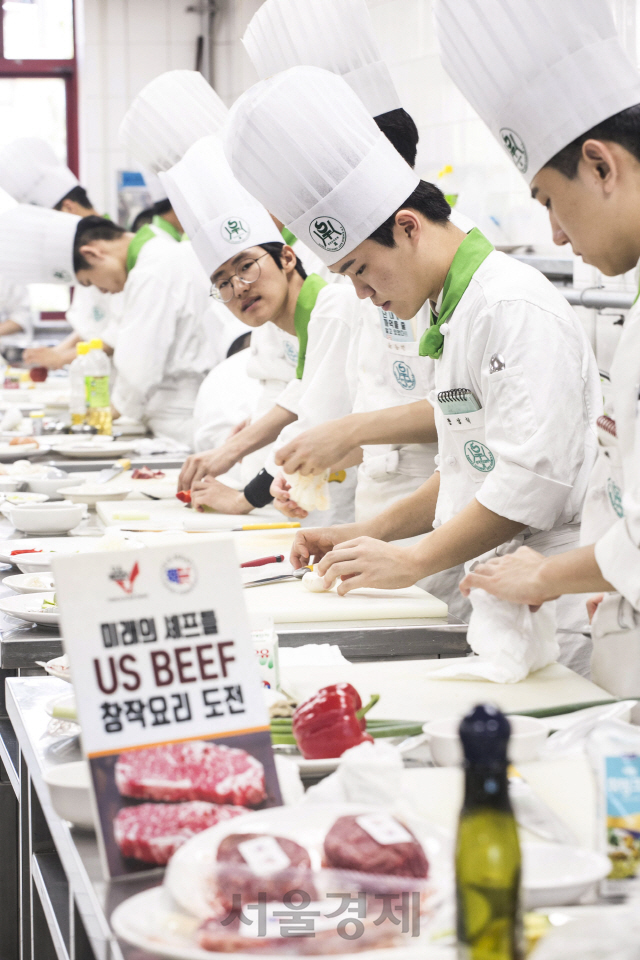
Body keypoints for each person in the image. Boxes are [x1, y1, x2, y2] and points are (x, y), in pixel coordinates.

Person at [225, 64, 602, 673]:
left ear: (408, 226)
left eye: (360, 270)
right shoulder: (452, 309)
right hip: (499, 604)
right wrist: (367, 533)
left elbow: (528, 483)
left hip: (553, 616)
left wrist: (414, 558)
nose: (364, 296)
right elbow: (463, 468)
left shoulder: (509, 305)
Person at [425, 0, 640, 698]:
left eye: (548, 199)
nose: (553, 234)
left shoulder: (512, 304)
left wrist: (546, 575)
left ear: (601, 166)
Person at [161, 135, 363, 523]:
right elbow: (299, 393)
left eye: (245, 266)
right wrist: (233, 448)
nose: (237, 287)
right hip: (301, 490)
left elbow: (313, 419)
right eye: (222, 281)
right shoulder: (283, 321)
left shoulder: (333, 310)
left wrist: (241, 499)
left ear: (288, 257)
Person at [71, 213, 222, 444]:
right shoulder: (163, 251)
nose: (100, 291)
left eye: (90, 282)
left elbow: (138, 366)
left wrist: (104, 416)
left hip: (179, 415)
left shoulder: (150, 272)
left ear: (92, 253)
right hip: (195, 406)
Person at [0, 137, 123, 367]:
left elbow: (120, 331)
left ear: (68, 208)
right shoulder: (82, 255)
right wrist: (52, 355)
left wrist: (60, 357)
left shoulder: (114, 253)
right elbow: (89, 327)